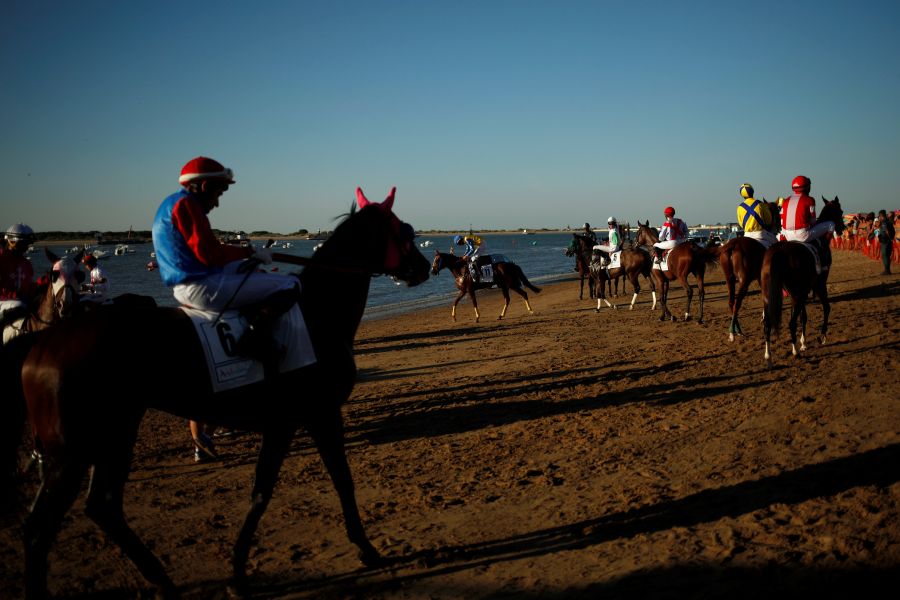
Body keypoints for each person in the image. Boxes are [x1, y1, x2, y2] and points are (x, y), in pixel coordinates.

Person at [152, 156, 299, 364]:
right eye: (218, 194)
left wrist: (246, 258)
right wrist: (249, 252)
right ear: (204, 186)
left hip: (189, 284)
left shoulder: (171, 203)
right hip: (201, 287)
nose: (218, 203)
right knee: (291, 284)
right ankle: (254, 340)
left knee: (254, 273)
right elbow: (209, 255)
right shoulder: (187, 205)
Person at [0, 223, 37, 330]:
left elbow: (29, 287)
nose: (26, 248)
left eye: (27, 244)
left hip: (22, 300)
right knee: (18, 305)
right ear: (11, 242)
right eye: (23, 244)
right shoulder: (2, 258)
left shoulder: (26, 263)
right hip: (4, 300)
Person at [779, 176, 835, 243]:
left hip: (787, 235)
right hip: (802, 235)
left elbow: (782, 221)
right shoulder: (810, 200)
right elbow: (813, 221)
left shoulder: (785, 201)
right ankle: (824, 247)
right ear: (807, 187)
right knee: (831, 224)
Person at [736, 183, 777, 248]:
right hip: (760, 234)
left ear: (742, 195)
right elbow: (768, 221)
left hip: (747, 235)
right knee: (776, 243)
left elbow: (741, 224)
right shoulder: (760, 204)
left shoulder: (739, 207)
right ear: (752, 191)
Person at [871, 209, 895, 275]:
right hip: (889, 241)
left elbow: (886, 231)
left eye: (879, 216)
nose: (879, 218)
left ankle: (886, 270)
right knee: (887, 255)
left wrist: (890, 238)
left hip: (885, 241)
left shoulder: (884, 222)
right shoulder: (888, 221)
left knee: (885, 255)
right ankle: (888, 270)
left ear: (881, 216)